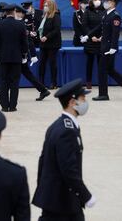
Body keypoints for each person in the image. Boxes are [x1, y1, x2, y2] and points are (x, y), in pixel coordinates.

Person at [33, 79, 96, 220]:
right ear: (72, 102)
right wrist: (86, 196)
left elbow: (42, 162)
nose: (85, 102)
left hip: (55, 198)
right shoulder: (67, 131)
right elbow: (68, 169)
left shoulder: (57, 125)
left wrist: (45, 191)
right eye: (83, 98)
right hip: (63, 201)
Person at [0, 4, 28, 112]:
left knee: (3, 82)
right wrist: (24, 55)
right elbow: (24, 43)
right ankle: (12, 106)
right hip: (16, 58)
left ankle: (4, 106)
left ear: (5, 13)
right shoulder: (20, 25)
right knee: (14, 83)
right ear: (14, 12)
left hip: (2, 58)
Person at [15, 5, 50, 101]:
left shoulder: (21, 24)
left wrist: (33, 55)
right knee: (27, 74)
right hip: (19, 55)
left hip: (20, 56)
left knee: (9, 75)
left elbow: (28, 41)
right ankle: (43, 90)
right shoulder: (18, 23)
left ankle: (1, 94)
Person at [93, 0, 122, 101]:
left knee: (102, 70)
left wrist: (113, 47)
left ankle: (103, 94)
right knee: (110, 70)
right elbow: (105, 30)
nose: (105, 2)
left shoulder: (115, 16)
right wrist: (99, 37)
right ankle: (103, 94)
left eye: (108, 1)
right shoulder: (106, 14)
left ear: (113, 3)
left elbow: (115, 33)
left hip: (109, 48)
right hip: (104, 45)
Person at [81, 0, 105, 89]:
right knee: (89, 63)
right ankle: (89, 81)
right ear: (92, 1)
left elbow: (106, 25)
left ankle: (101, 81)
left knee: (101, 63)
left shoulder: (104, 11)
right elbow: (85, 25)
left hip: (101, 40)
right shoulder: (87, 11)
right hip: (90, 41)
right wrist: (91, 36)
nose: (97, 1)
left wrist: (102, 37)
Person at [38, 0, 62, 89]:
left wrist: (47, 37)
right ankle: (40, 82)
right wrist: (39, 35)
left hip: (53, 44)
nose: (45, 7)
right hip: (43, 43)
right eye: (44, 5)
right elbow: (40, 28)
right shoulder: (44, 16)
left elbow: (56, 30)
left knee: (52, 63)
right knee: (42, 63)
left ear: (51, 6)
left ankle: (54, 83)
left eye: (47, 5)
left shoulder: (56, 16)